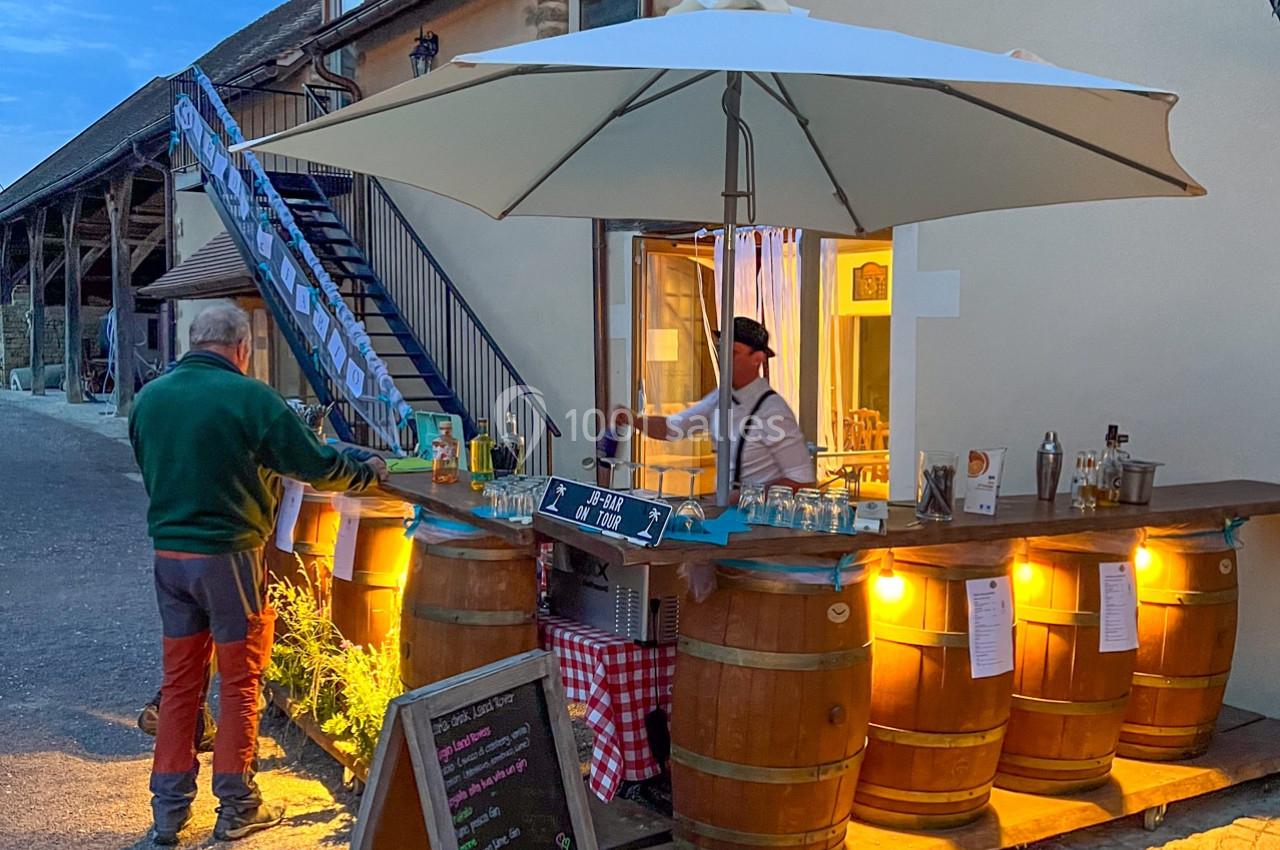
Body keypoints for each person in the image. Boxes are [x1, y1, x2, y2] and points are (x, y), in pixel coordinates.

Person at [128, 304, 388, 845]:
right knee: (241, 679)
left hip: (169, 557)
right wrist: (367, 474)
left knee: (181, 682)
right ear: (242, 349)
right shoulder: (252, 397)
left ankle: (167, 814)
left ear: (193, 341)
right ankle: (238, 802)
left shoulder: (149, 398)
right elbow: (316, 465)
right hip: (229, 558)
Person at [614, 317, 815, 492]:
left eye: (733, 353)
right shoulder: (719, 399)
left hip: (762, 521)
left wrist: (749, 496)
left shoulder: (774, 412)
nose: (723, 359)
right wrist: (634, 420)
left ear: (757, 358)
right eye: (721, 350)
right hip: (727, 511)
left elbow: (802, 480)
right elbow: (673, 428)